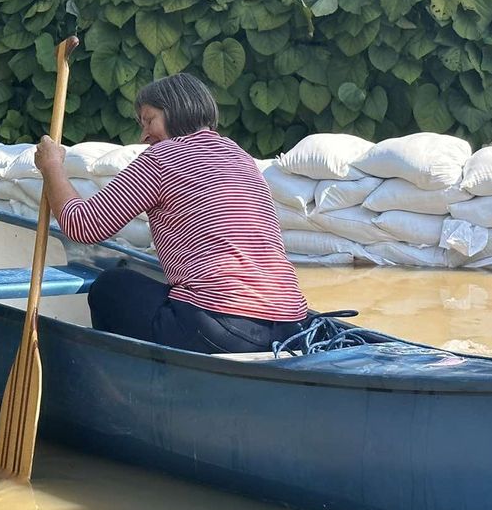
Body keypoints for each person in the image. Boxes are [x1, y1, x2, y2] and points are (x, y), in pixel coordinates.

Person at [34, 73, 309, 354]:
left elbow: (83, 225)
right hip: (291, 325)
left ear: (176, 110)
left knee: (110, 287)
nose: (143, 136)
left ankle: (127, 386)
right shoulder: (240, 156)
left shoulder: (162, 157)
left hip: (221, 326)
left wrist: (51, 167)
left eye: (149, 120)